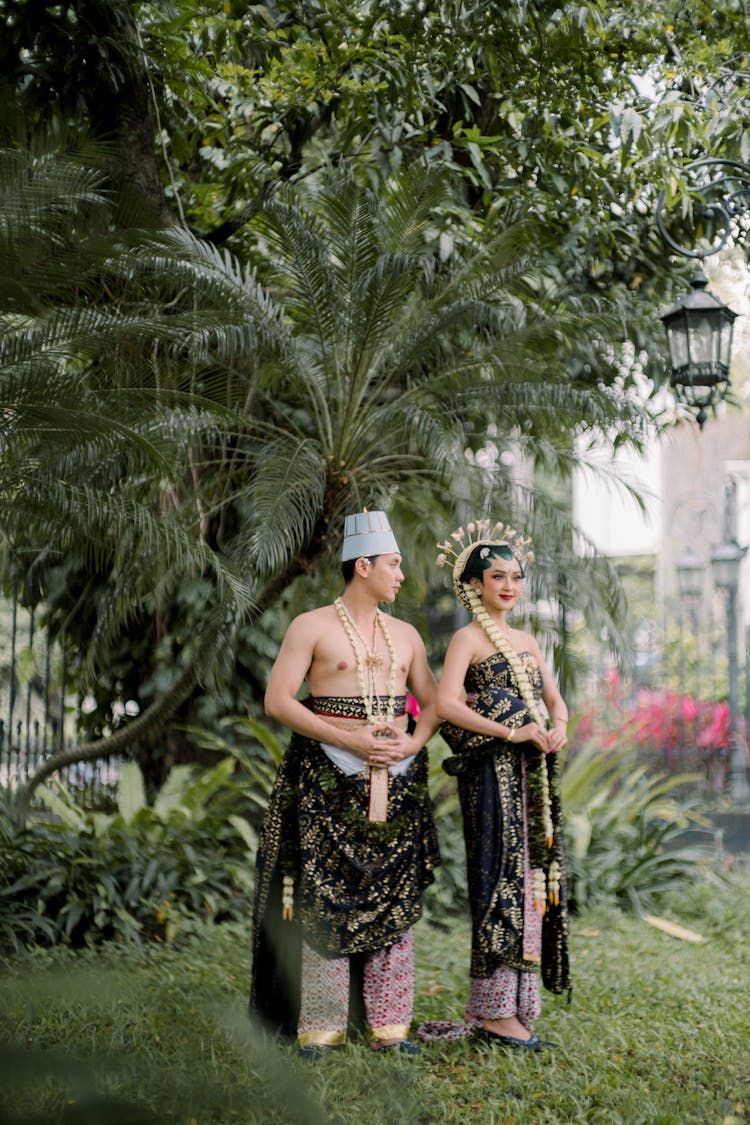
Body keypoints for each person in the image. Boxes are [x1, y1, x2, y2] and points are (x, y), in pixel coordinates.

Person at [249, 510, 441, 1059]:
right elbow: (278, 700)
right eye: (394, 564)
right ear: (363, 565)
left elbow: (431, 705)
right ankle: (321, 1027)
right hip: (327, 774)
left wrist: (411, 743)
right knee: (322, 898)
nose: (401, 575)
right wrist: (350, 740)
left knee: (394, 899)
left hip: (396, 781)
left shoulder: (405, 635)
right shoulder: (310, 625)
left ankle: (390, 1027)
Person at [424, 518, 570, 1052]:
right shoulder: (468, 638)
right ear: (475, 585)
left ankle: (519, 1006)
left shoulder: (528, 640)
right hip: (490, 776)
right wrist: (513, 730)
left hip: (533, 779)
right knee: (499, 877)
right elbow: (446, 705)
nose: (509, 585)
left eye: (516, 576)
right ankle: (492, 1012)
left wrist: (556, 726)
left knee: (532, 881)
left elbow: (557, 701)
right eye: (497, 577)